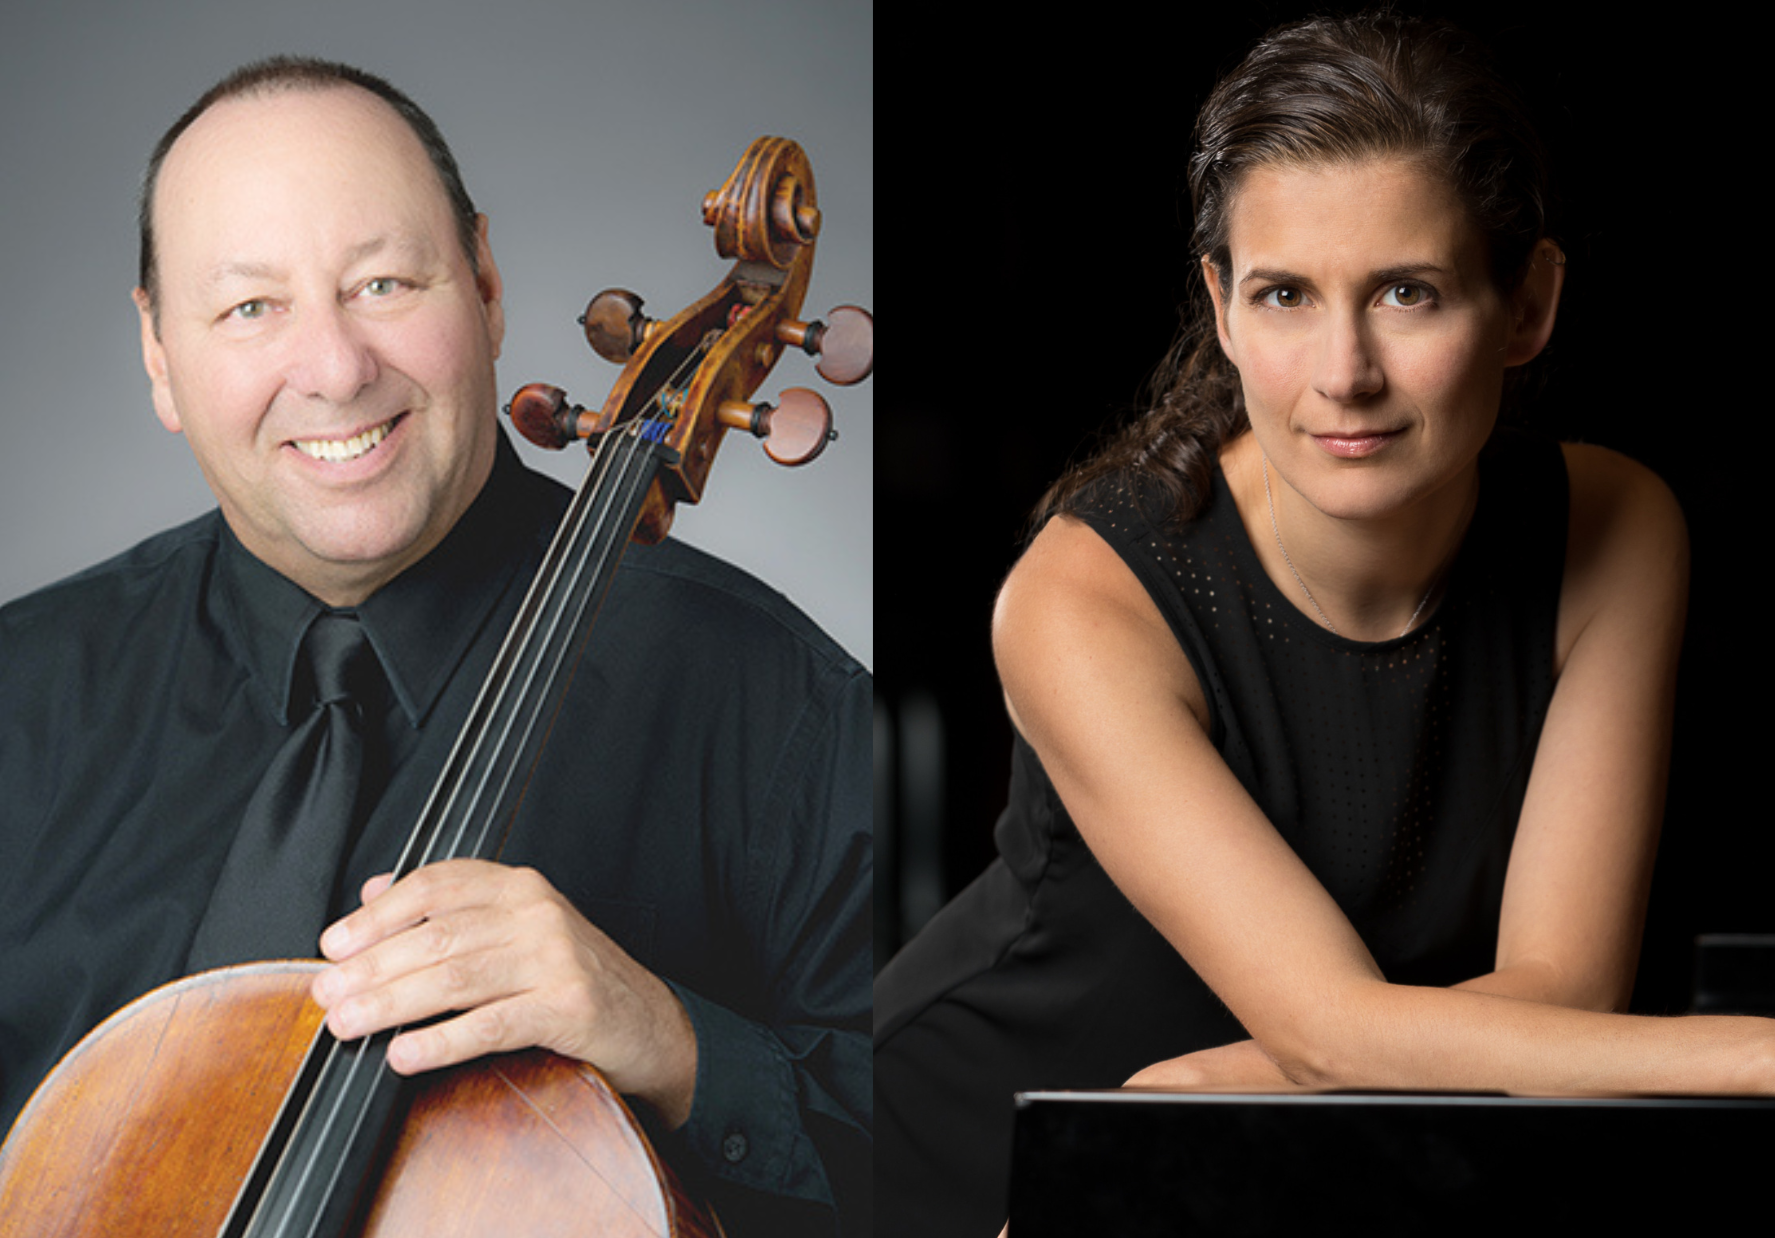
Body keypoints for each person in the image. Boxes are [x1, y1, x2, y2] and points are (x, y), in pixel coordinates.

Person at [873, 13, 1774, 1237]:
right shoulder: (1081, 594)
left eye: (1408, 292)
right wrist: (1754, 1056)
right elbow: (1338, 1024)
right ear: (1221, 305)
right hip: (956, 1160)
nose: (1342, 371)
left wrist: (1220, 1080)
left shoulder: (1612, 526)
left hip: (1253, 1157)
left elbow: (1561, 999)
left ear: (1527, 304)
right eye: (1285, 294)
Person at [0, 57, 870, 1236]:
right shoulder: (24, 696)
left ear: (487, 283)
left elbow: (952, 1167)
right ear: (158, 352)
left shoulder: (785, 711)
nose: (336, 368)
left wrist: (671, 1039)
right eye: (252, 306)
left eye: (385, 281)